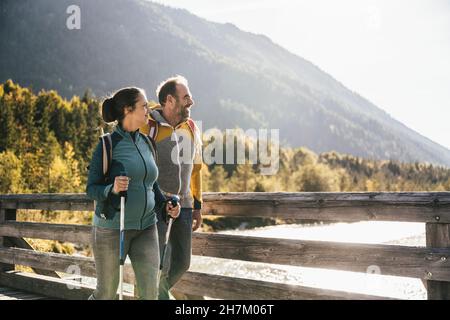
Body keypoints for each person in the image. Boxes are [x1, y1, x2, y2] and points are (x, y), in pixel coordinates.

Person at [86, 87, 180, 300]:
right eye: (144, 106)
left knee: (150, 293)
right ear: (128, 110)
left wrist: (166, 204)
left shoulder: (147, 142)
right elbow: (91, 189)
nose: (149, 110)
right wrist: (112, 188)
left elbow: (150, 184)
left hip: (146, 228)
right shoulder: (108, 145)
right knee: (106, 293)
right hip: (112, 229)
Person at [140, 76, 203, 300]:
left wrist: (197, 205)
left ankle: (158, 291)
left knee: (183, 262)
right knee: (158, 263)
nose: (191, 102)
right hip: (155, 206)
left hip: (184, 206)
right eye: (186, 97)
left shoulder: (192, 128)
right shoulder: (148, 125)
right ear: (169, 100)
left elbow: (196, 169)